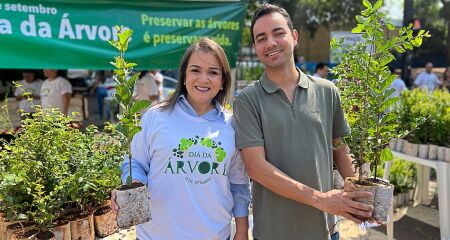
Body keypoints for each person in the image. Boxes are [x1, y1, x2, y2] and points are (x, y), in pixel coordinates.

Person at [232, 4, 373, 240]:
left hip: (325, 231)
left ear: (294, 36)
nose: (271, 43)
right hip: (273, 233)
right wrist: (322, 200)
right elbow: (256, 168)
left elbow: (339, 149)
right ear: (256, 47)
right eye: (261, 38)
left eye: (278, 33)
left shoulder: (327, 91)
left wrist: (360, 196)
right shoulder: (247, 100)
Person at [114, 38, 250, 240]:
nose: (203, 79)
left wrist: (241, 231)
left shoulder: (231, 126)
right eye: (195, 70)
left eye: (213, 72)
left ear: (222, 81)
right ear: (184, 76)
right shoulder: (155, 117)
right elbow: (135, 164)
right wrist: (133, 182)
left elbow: (239, 185)